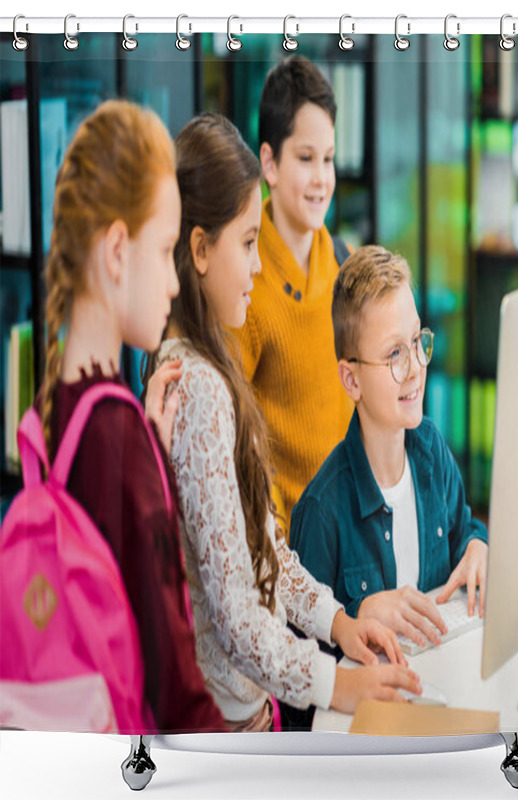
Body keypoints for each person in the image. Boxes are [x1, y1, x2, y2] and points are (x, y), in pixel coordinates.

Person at [147, 114, 420, 732]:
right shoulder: (199, 389)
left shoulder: (209, 365)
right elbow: (239, 617)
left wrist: (337, 624)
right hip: (225, 722)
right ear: (198, 250)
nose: (259, 266)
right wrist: (340, 686)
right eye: (247, 243)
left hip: (245, 707)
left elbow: (264, 549)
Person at [38, 100, 227, 733]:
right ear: (117, 251)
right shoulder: (119, 437)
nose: (175, 280)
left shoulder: (60, 408)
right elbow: (176, 696)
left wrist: (152, 441)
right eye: (167, 247)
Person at [291, 246, 489, 651]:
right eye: (394, 353)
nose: (416, 367)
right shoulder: (321, 512)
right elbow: (298, 666)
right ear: (352, 380)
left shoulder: (431, 450)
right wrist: (354, 615)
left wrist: (477, 546)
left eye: (417, 341)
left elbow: (464, 528)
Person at [231, 55, 353, 531]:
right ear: (269, 163)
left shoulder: (345, 263)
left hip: (353, 545)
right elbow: (236, 449)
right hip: (289, 561)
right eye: (306, 159)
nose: (322, 178)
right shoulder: (243, 284)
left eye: (328, 159)